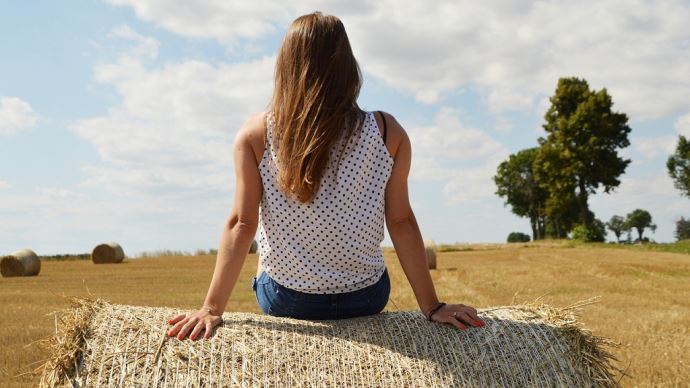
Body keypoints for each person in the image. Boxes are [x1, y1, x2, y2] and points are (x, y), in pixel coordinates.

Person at [167, 11, 485, 341]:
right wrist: (432, 306)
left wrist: (211, 309)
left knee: (265, 260)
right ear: (348, 67)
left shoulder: (256, 134)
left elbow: (242, 223)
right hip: (366, 297)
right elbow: (401, 221)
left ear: (286, 68)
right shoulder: (389, 132)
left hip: (288, 299)